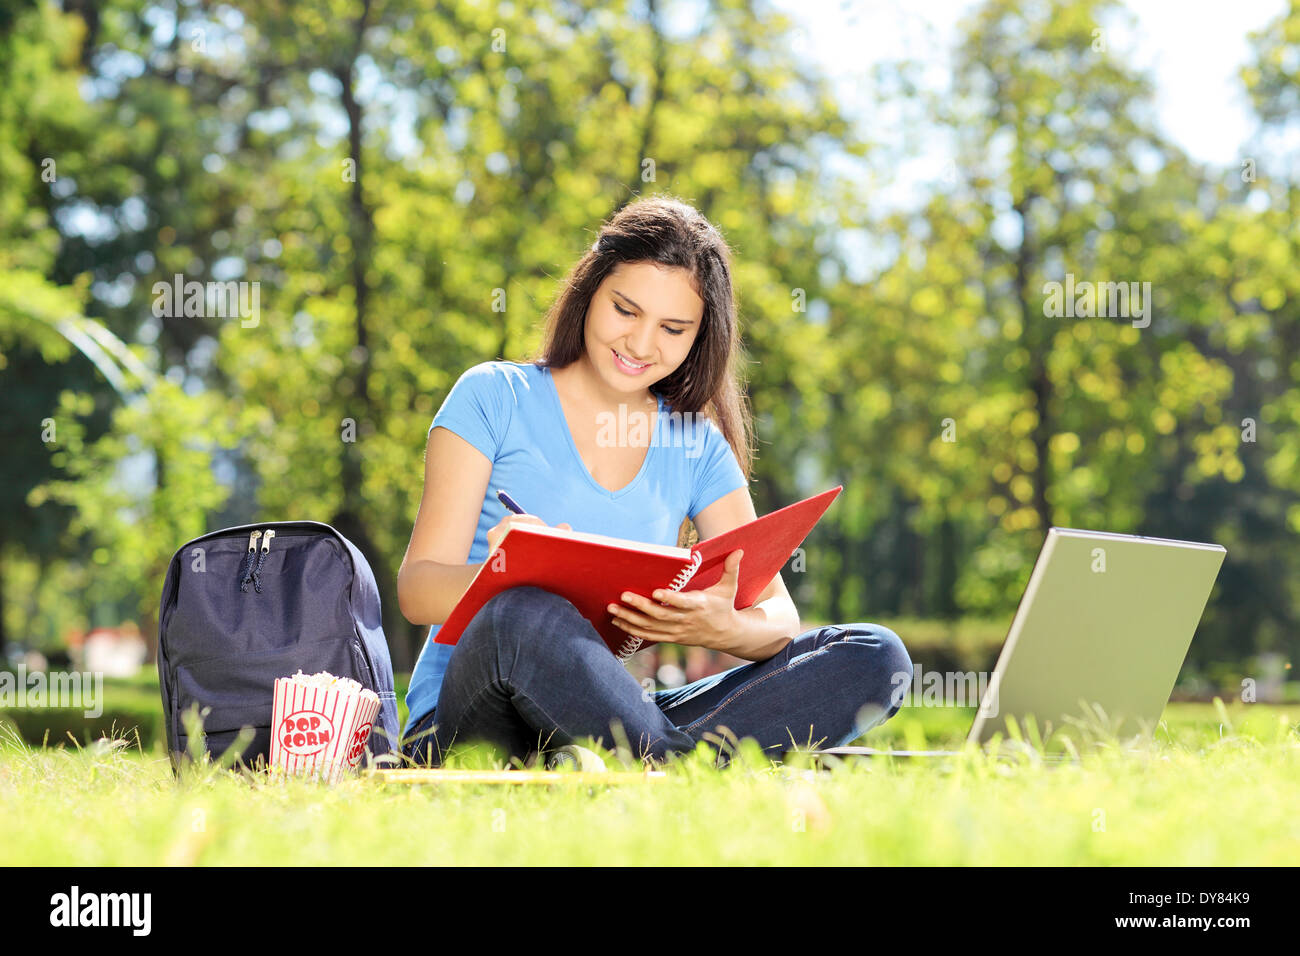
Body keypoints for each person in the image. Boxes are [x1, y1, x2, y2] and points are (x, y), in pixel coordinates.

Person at [396, 195, 912, 768]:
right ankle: (681, 768)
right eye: (625, 310)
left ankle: (642, 765)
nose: (641, 346)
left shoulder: (695, 443)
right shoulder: (493, 395)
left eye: (672, 328)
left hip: (597, 723)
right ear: (591, 290)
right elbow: (417, 591)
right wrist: (501, 576)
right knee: (521, 611)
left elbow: (778, 618)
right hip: (469, 718)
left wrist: (724, 627)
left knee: (874, 655)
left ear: (699, 335)